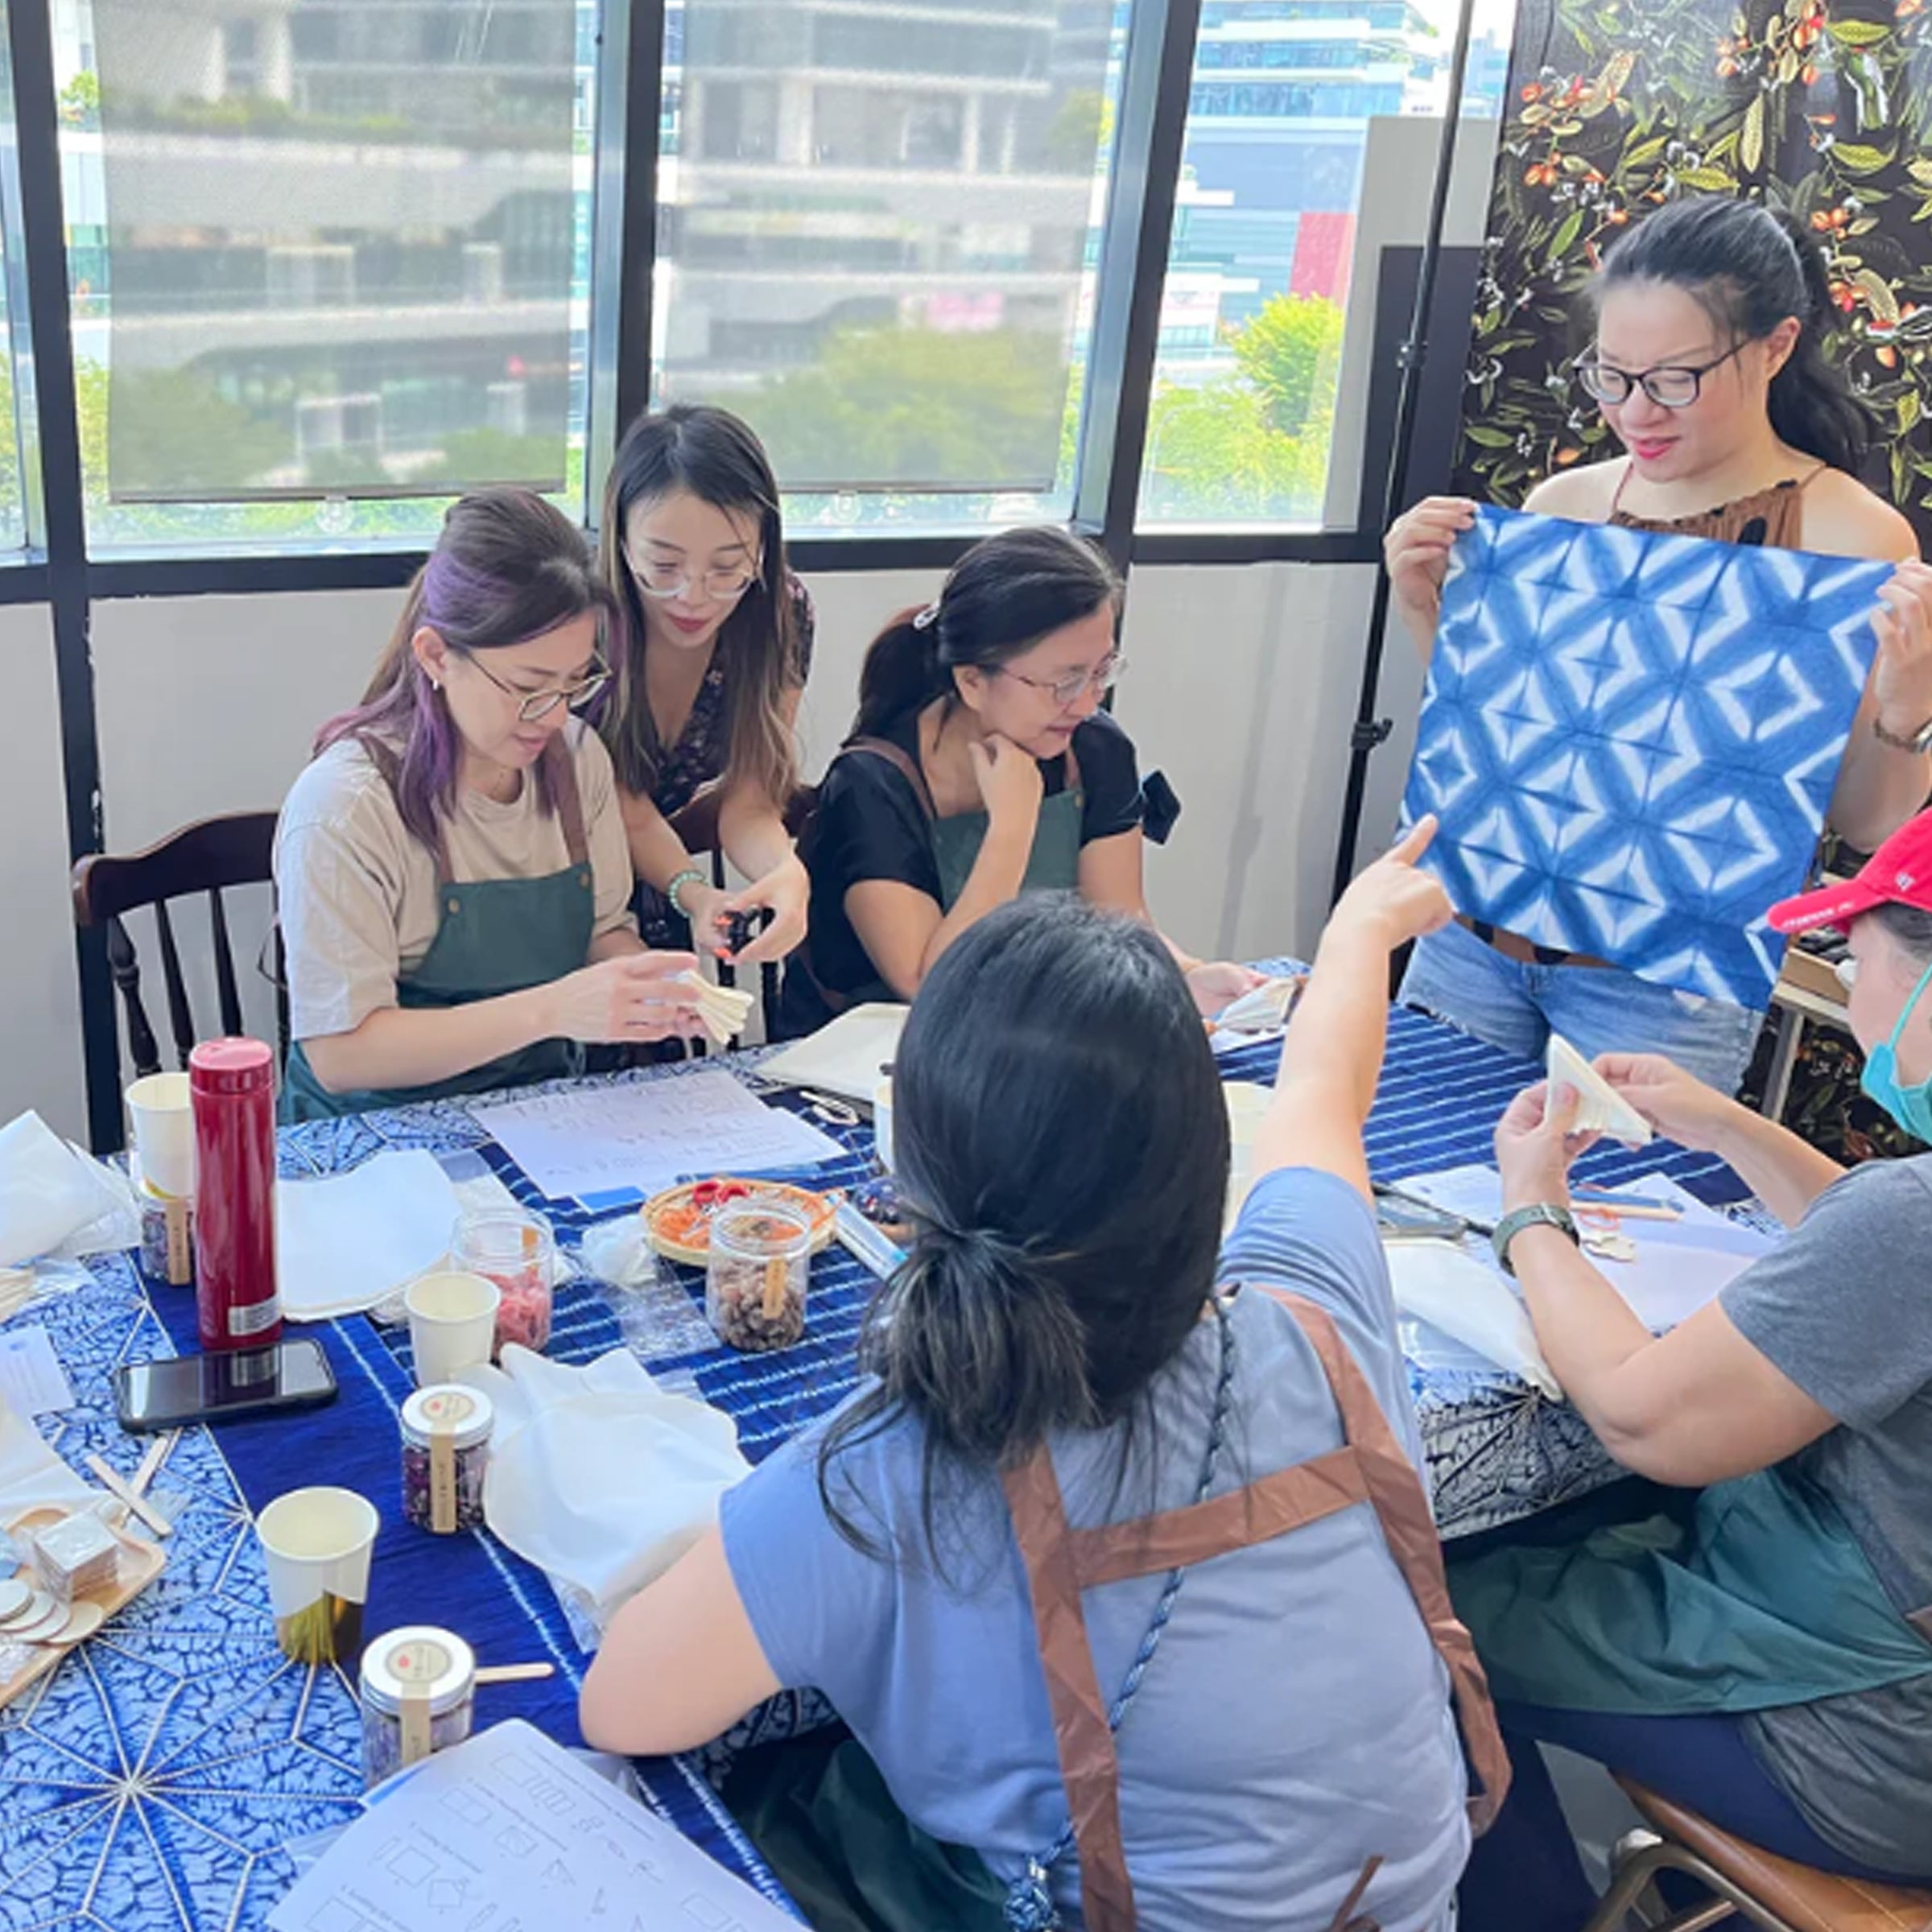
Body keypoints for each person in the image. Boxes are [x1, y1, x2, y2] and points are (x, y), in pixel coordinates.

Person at [583, 821, 1511, 1932]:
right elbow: (1324, 1096)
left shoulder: (890, 1468)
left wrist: (742, 1538)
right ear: (1203, 1163)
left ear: (905, 1179)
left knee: (777, 1798)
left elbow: (623, 1703)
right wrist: (1359, 932)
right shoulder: (1314, 1316)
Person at [1451, 805, 1932, 1926]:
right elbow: (1878, 1259)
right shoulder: (1903, 1223)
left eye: (1853, 961)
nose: (1848, 997)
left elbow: (1642, 1420)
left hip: (1869, 1743)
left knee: (1425, 1624)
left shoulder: (1908, 1225)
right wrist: (1727, 1127)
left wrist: (1530, 1213)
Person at [1385, 195, 1932, 1094]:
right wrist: (1423, 608)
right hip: (1474, 935)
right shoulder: (1568, 506)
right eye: (1611, 376)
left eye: (1676, 379)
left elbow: (1866, 825)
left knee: (1613, 1227)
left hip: (1669, 986)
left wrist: (1910, 711)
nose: (1636, 412)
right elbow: (1507, 748)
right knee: (1415, 1189)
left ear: (1775, 347)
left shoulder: (1848, 538)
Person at [275, 488, 705, 1121]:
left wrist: (648, 986)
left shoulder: (577, 758)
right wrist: (555, 1010)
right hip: (375, 1143)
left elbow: (602, 933)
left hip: (541, 1117)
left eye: (574, 683)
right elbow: (343, 1054)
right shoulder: (346, 806)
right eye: (529, 687)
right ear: (436, 656)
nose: (555, 715)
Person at [776, 524, 1258, 1036]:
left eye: (1101, 672)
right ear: (971, 681)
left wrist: (1188, 977)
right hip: (875, 1059)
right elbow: (929, 983)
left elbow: (1120, 922)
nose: (1088, 701)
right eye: (1065, 681)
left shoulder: (1094, 749)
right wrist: (1010, 827)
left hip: (1021, 1036)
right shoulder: (872, 786)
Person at [597, 403, 813, 968]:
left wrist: (785, 872)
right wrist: (693, 892)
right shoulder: (584, 621)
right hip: (562, 889)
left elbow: (749, 800)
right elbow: (624, 808)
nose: (694, 596)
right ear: (621, 541)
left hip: (663, 888)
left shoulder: (780, 614)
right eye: (664, 566)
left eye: (727, 568)